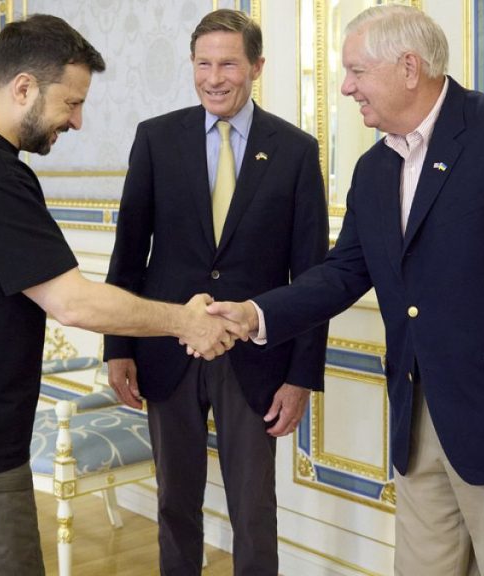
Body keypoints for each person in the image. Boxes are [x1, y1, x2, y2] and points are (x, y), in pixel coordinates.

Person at [207, 5, 484, 575]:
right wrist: (253, 314)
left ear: (408, 67)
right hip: (418, 421)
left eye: (357, 72)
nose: (346, 87)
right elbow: (344, 271)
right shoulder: (374, 168)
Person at [0, 15, 245, 576]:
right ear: (24, 87)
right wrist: (185, 322)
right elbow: (72, 302)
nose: (76, 121)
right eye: (70, 103)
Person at [103, 9, 328, 575]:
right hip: (165, 351)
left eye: (228, 63)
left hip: (257, 360)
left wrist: (301, 376)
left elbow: (314, 276)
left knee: (254, 510)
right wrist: (118, 347)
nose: (213, 77)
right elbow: (129, 252)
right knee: (174, 503)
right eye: (203, 63)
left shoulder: (296, 151)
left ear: (256, 67)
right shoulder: (155, 139)